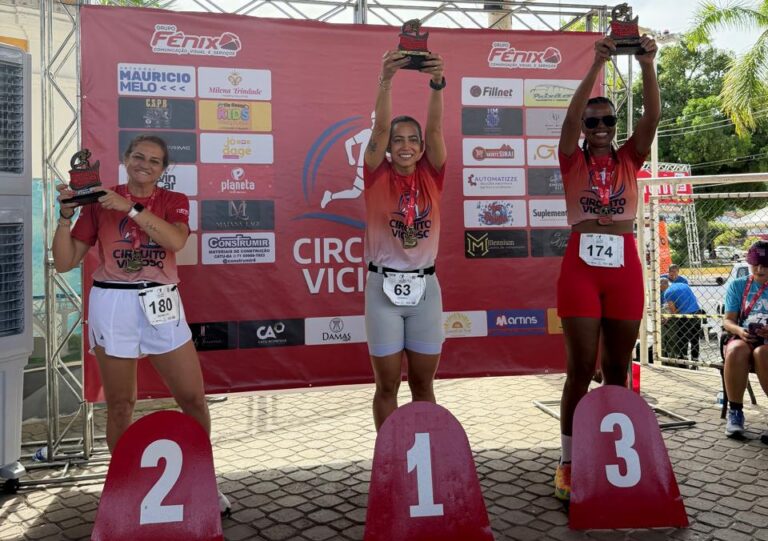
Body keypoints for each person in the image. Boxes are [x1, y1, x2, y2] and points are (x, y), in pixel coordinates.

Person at [53, 134, 231, 515]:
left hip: (161, 299)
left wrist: (130, 208)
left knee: (193, 398)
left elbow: (175, 241)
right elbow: (67, 261)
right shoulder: (99, 201)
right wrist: (65, 216)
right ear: (125, 159)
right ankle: (124, 485)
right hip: (113, 300)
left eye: (153, 161)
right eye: (138, 157)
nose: (144, 165)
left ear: (163, 170)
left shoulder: (173, 201)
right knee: (121, 404)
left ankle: (203, 480)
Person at [554, 35, 660, 502]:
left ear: (615, 125)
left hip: (624, 269)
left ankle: (616, 461)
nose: (598, 125)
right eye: (592, 120)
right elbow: (570, 119)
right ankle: (569, 461)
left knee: (618, 368)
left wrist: (649, 64)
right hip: (580, 268)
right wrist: (595, 64)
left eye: (607, 119)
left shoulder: (629, 158)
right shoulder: (571, 158)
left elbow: (652, 118)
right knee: (579, 369)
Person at [363, 49, 446, 430]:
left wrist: (437, 85)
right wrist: (385, 79)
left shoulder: (433, 173)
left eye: (412, 140)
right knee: (387, 385)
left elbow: (435, 131)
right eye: (399, 140)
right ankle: (389, 465)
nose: (407, 145)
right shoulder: (376, 173)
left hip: (425, 289)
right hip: (383, 288)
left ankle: (423, 458)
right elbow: (379, 129)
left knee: (423, 384)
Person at [721, 240, 768, 443]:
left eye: (766, 264)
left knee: (762, 353)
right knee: (736, 350)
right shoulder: (738, 285)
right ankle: (736, 412)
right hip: (743, 336)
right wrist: (740, 331)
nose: (759, 269)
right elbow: (728, 320)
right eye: (755, 263)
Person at [321, 111, 374, 209]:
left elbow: (386, 153)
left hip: (376, 170)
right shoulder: (367, 133)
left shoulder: (383, 137)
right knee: (360, 192)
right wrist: (351, 158)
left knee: (356, 193)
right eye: (376, 119)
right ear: (372, 120)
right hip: (364, 169)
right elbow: (348, 143)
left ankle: (330, 196)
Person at [661, 277, 702, 363]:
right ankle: (695, 361)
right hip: (697, 312)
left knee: (683, 340)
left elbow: (674, 311)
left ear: (663, 285)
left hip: (685, 317)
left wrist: (666, 319)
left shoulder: (667, 293)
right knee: (695, 340)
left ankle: (684, 361)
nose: (660, 290)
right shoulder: (683, 285)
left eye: (660, 287)